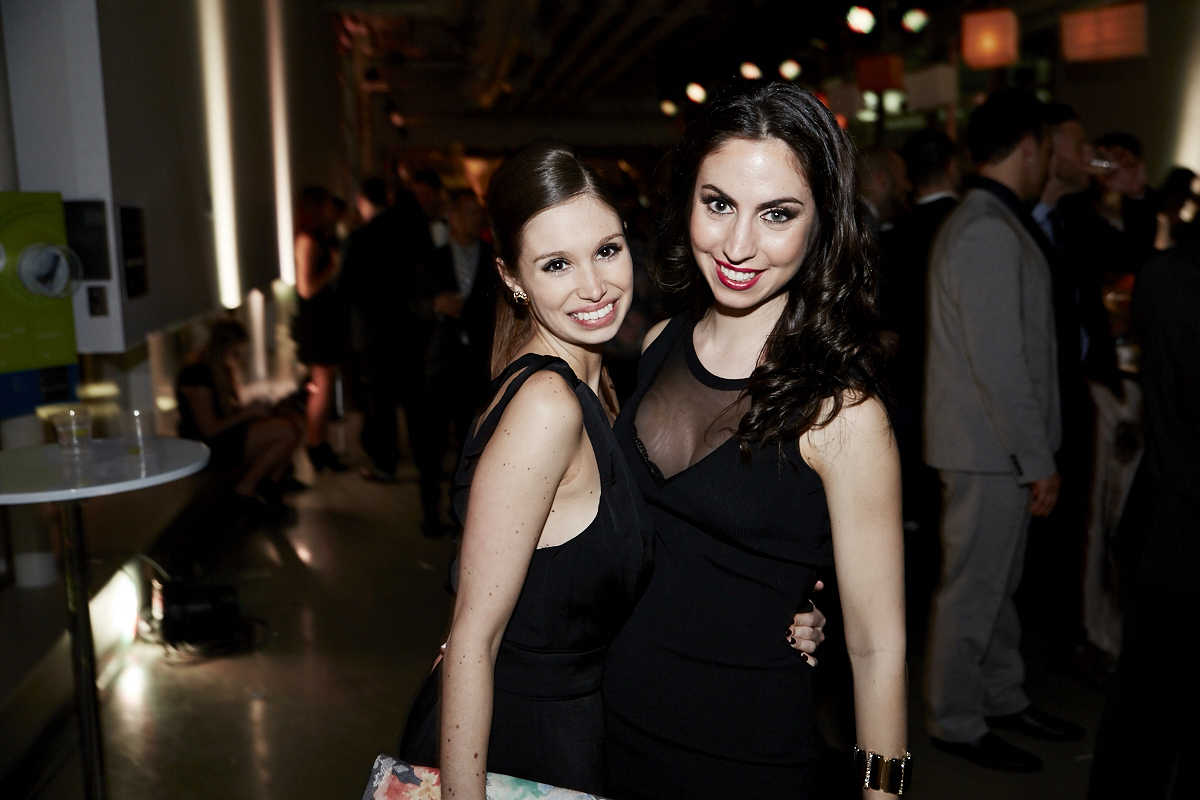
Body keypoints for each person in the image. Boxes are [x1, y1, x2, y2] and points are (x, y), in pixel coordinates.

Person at [398, 141, 826, 796]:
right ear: (512, 277)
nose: (594, 287)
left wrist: (781, 607)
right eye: (556, 264)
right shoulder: (547, 404)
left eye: (606, 250)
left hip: (580, 728)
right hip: (523, 746)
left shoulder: (592, 385)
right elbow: (472, 643)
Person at [603, 81, 907, 799]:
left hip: (748, 761)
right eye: (718, 204)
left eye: (777, 214)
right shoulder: (658, 343)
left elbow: (876, 649)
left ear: (821, 223)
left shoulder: (843, 414)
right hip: (612, 738)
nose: (738, 245)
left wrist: (884, 794)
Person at [923, 89, 1082, 773]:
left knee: (997, 587)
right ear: (1028, 147)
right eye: (1045, 145)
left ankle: (1000, 695)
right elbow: (1000, 362)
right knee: (973, 590)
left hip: (992, 446)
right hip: (987, 447)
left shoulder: (987, 219)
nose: (1047, 157)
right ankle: (955, 720)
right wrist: (1037, 457)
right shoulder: (986, 227)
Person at [1087, 224, 1200, 800]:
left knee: (1143, 722)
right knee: (1144, 726)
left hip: (1166, 532)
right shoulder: (1174, 278)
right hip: (1175, 537)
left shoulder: (1168, 276)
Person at [409, 189, 497, 533]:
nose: (477, 219)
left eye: (480, 213)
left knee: (472, 444)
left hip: (477, 364)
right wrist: (434, 305)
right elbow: (409, 303)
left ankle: (463, 512)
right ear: (454, 217)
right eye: (470, 212)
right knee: (431, 442)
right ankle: (429, 511)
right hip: (438, 362)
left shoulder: (492, 258)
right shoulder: (431, 258)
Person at [177, 318, 302, 515]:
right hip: (208, 446)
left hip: (224, 437)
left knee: (294, 422)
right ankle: (246, 488)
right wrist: (249, 413)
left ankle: (272, 483)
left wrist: (260, 411)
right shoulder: (198, 375)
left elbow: (229, 415)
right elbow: (208, 429)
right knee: (286, 431)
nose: (239, 359)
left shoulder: (219, 372)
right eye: (236, 353)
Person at [293, 185, 349, 473]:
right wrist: (332, 270)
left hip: (326, 317)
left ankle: (321, 443)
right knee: (321, 385)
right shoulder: (307, 240)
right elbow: (305, 289)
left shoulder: (324, 237)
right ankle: (315, 444)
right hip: (316, 320)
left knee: (324, 384)